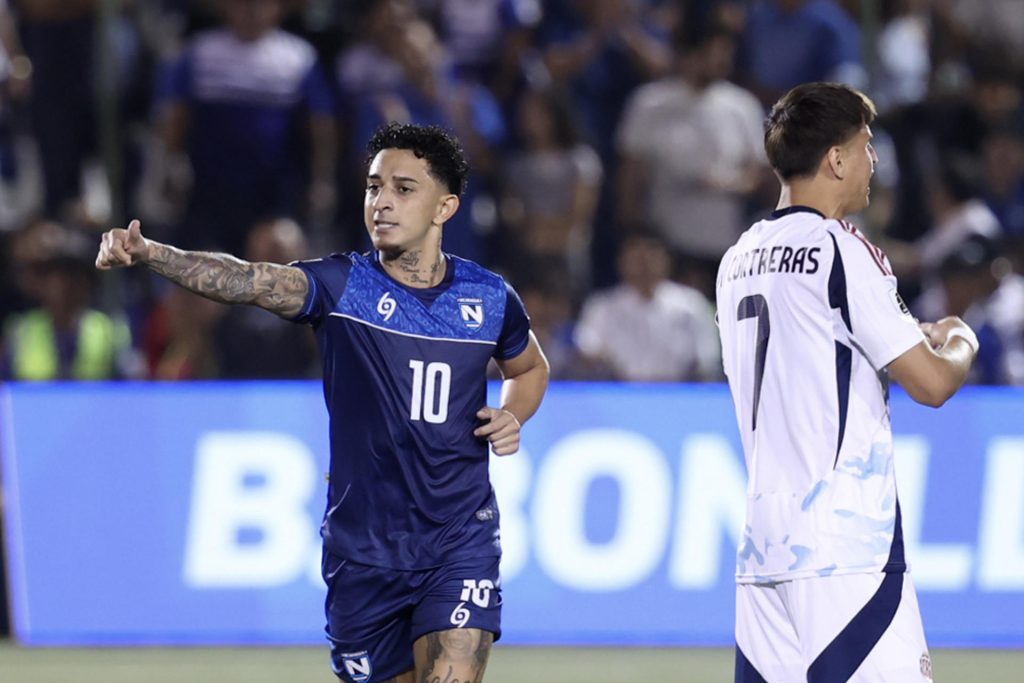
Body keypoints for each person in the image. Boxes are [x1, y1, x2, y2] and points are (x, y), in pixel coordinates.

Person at [95, 122, 550, 683]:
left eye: (403, 189)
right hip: (363, 553)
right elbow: (249, 280)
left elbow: (528, 367)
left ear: (445, 207)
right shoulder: (342, 287)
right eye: (373, 187)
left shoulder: (488, 295)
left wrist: (513, 412)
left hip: (460, 539)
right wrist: (152, 253)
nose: (381, 202)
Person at [716, 83, 978, 682]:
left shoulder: (737, 259)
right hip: (845, 548)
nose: (873, 161)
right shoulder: (840, 247)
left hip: (763, 551)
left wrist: (912, 328)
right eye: (865, 145)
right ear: (835, 158)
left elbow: (810, 345)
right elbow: (933, 384)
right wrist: (962, 337)